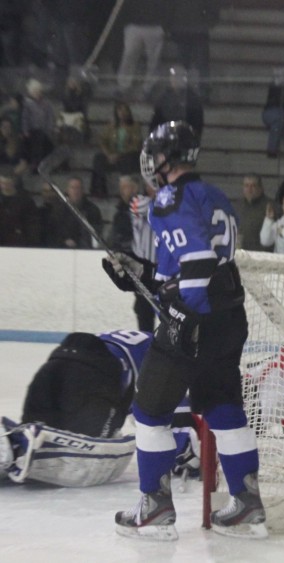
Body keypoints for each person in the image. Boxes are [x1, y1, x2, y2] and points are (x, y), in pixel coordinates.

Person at [102, 121, 267, 540]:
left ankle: (155, 508)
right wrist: (145, 274)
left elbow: (196, 266)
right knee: (221, 404)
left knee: (148, 411)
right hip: (229, 317)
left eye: (155, 154)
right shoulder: (212, 194)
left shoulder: (169, 198)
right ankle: (247, 503)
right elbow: (198, 266)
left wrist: (181, 317)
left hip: (198, 319)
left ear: (165, 159)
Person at [0, 330, 199, 488]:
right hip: (97, 375)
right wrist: (187, 456)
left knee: (33, 434)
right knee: (78, 446)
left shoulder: (153, 342)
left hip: (55, 365)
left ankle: (6, 446)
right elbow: (173, 419)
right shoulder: (172, 358)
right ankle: (12, 451)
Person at [115, 0, 170, 101]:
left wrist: (164, 26)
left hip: (155, 25)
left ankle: (148, 88)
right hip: (134, 24)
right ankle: (123, 86)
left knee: (153, 60)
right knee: (129, 55)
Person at [90, 101, 143, 198]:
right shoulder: (111, 126)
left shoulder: (135, 126)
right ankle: (100, 188)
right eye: (119, 110)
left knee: (128, 160)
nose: (122, 113)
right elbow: (103, 141)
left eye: (124, 110)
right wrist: (108, 154)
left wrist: (119, 154)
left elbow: (136, 145)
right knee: (98, 158)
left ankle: (126, 189)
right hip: (112, 156)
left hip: (128, 156)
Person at [128, 175, 158, 332]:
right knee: (144, 312)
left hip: (164, 269)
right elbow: (155, 207)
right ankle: (146, 346)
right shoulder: (138, 201)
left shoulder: (170, 203)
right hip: (143, 270)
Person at [148, 66, 205, 140]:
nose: (175, 79)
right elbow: (155, 122)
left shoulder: (193, 100)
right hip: (165, 141)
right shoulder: (163, 98)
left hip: (185, 141)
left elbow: (197, 125)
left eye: (178, 76)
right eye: (173, 76)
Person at [51, 176, 103, 249]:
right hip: (62, 250)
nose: (75, 191)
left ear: (82, 190)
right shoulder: (59, 210)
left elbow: (96, 233)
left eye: (78, 188)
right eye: (72, 188)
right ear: (67, 190)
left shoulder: (92, 210)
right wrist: (64, 241)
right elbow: (54, 232)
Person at [0, 174, 40, 246]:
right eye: (2, 183)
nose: (5, 186)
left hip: (19, 240)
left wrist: (29, 238)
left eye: (8, 183)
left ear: (14, 183)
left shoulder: (25, 200)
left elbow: (32, 221)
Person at [237, 173, 272, 252]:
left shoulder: (270, 207)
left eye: (253, 186)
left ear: (261, 188)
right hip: (241, 255)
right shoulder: (238, 206)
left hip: (262, 257)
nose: (249, 189)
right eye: (246, 185)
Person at [108, 175, 140, 252]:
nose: (122, 191)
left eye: (125, 187)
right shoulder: (119, 214)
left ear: (134, 189)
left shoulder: (142, 209)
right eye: (120, 188)